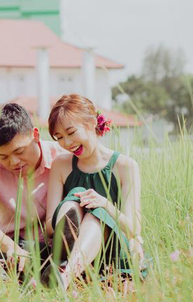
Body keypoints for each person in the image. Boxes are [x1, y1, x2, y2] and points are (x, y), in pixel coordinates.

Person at [44, 94, 145, 289]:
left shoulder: (125, 166)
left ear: (91, 123)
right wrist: (75, 207)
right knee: (76, 198)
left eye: (71, 132)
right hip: (70, 246)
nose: (67, 143)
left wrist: (104, 204)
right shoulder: (61, 165)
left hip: (111, 250)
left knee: (96, 213)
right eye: (60, 138)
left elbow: (133, 229)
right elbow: (49, 226)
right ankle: (66, 270)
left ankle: (64, 276)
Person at [0, 102, 68, 277]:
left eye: (19, 151)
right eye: (3, 156)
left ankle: (20, 271)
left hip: (50, 246)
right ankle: (14, 269)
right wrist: (10, 248)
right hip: (8, 245)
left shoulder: (62, 157)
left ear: (35, 135)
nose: (13, 162)